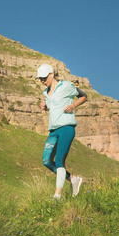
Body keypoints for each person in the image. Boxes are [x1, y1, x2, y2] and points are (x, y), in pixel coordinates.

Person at [37, 64, 87, 200]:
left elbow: (84, 96)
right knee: (46, 161)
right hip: (53, 130)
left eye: (44, 77)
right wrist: (46, 106)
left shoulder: (66, 86)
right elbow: (56, 105)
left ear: (51, 74)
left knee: (59, 160)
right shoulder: (46, 92)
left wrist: (73, 105)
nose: (42, 81)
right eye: (40, 79)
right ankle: (73, 179)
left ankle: (57, 195)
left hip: (66, 128)